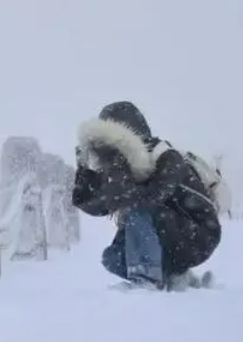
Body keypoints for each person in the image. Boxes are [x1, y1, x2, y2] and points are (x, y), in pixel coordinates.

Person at [72, 101, 222, 290]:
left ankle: (146, 278)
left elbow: (154, 195)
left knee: (139, 210)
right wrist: (84, 173)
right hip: (170, 234)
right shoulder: (125, 168)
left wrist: (120, 179)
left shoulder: (166, 156)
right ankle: (175, 275)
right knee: (113, 257)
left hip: (199, 235)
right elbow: (95, 205)